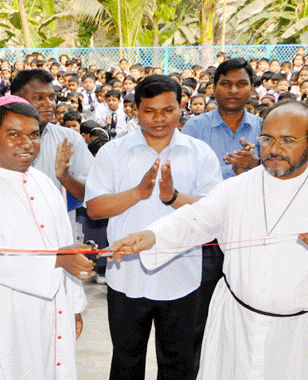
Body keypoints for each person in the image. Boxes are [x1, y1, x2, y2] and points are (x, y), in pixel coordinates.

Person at [111, 100, 308, 380]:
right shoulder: (236, 188)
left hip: (297, 333)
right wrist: (151, 235)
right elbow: (195, 220)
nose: (274, 149)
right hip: (235, 323)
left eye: (288, 140)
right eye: (267, 139)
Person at [85, 75, 221, 380]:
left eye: (168, 110)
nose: (159, 119)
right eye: (149, 111)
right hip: (126, 276)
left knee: (179, 363)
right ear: (135, 109)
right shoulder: (113, 152)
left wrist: (172, 197)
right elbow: (94, 208)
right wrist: (137, 193)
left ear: (181, 107)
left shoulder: (199, 154)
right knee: (126, 359)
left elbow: (215, 214)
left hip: (182, 276)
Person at [0, 96, 92, 380]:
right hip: (1, 317)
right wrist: (57, 261)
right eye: (13, 134)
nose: (27, 143)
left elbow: (66, 246)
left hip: (52, 310)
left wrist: (74, 306)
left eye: (33, 135)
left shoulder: (44, 184)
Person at [178, 58, 263, 371]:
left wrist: (256, 167)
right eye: (225, 83)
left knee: (247, 312)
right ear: (213, 88)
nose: (233, 90)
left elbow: (283, 175)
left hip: (251, 232)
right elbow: (184, 178)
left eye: (241, 83)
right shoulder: (195, 127)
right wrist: (233, 171)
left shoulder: (264, 128)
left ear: (252, 88)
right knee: (198, 315)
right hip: (206, 233)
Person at [0, 69, 94, 203]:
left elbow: (92, 196)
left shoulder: (69, 138)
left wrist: (65, 177)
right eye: (39, 98)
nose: (49, 104)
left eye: (52, 98)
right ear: (17, 99)